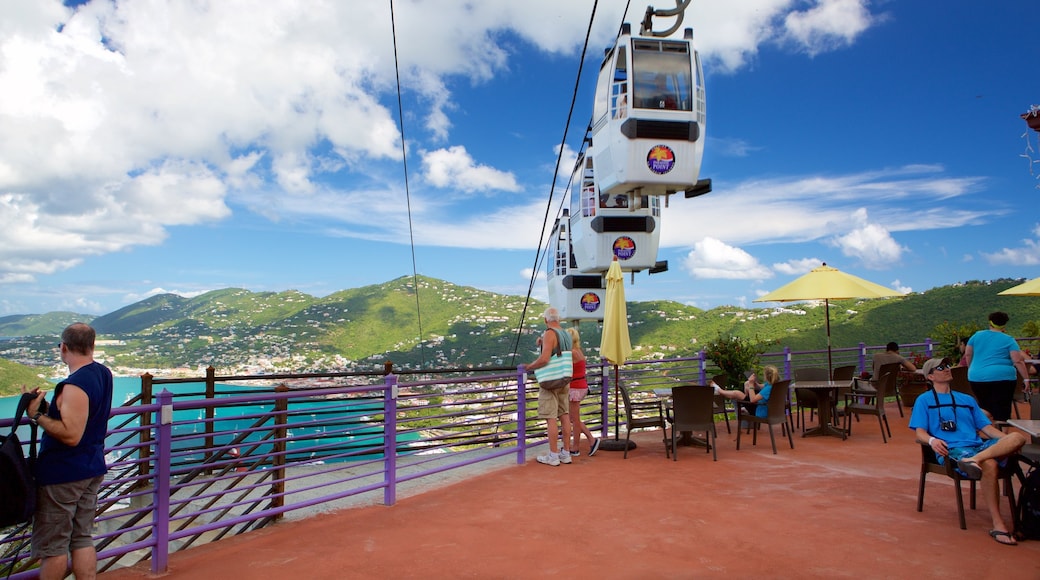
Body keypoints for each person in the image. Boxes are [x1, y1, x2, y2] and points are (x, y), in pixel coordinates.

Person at [22, 323, 114, 579]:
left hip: (64, 474)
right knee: (82, 538)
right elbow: (83, 414)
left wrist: (37, 415)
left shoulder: (74, 384)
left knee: (54, 547)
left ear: (63, 347)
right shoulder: (103, 374)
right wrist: (51, 407)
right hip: (91, 466)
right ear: (92, 346)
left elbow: (72, 435)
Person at [909, 357, 1025, 546]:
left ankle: (975, 460)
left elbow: (988, 430)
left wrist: (1007, 442)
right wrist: (932, 440)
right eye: (941, 367)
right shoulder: (924, 400)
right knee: (990, 463)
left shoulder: (967, 400)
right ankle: (998, 524)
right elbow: (920, 431)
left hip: (977, 447)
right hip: (953, 449)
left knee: (1017, 437)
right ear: (930, 376)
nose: (947, 369)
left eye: (947, 366)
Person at [963, 311, 1030, 421]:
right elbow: (1017, 360)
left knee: (985, 407)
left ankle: (974, 427)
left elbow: (968, 354)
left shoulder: (976, 336)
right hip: (1003, 378)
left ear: (990, 322)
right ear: (1004, 324)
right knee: (1002, 410)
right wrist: (1026, 379)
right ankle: (1002, 436)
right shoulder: (1008, 340)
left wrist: (972, 368)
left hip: (977, 377)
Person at [527, 307, 573, 467]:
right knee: (565, 414)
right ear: (558, 319)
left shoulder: (549, 333)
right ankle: (566, 453)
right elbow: (557, 349)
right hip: (565, 377)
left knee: (551, 417)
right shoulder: (566, 334)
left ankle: (553, 455)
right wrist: (543, 340)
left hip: (551, 380)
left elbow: (545, 359)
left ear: (546, 320)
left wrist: (529, 366)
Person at [565, 327, 599, 457]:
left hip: (575, 388)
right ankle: (585, 441)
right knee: (573, 418)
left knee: (574, 419)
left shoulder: (571, 353)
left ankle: (579, 445)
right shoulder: (579, 351)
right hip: (581, 386)